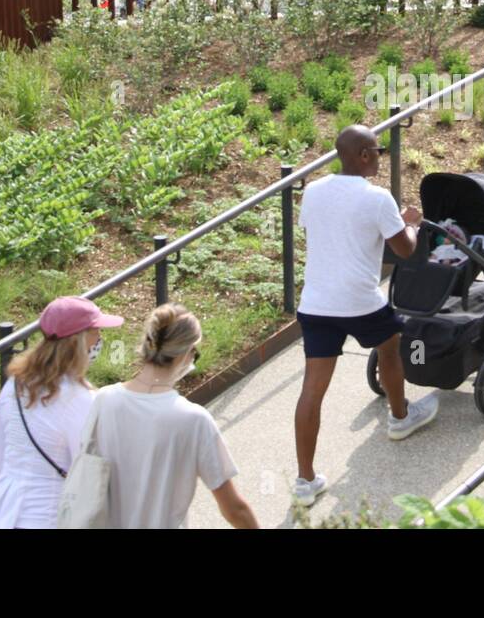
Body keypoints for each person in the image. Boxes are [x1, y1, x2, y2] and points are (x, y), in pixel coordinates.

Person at [293, 126, 439, 507]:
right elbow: (405, 250)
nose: (380, 156)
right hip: (360, 301)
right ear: (361, 155)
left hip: (316, 304)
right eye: (376, 150)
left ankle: (305, 481)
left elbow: (327, 232)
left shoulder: (312, 191)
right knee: (391, 347)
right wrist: (410, 222)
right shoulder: (378, 199)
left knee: (312, 390)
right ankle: (400, 417)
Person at [91, 304, 258, 528]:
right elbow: (234, 509)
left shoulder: (104, 400)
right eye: (195, 353)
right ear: (185, 353)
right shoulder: (193, 419)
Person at [0, 296, 124, 529]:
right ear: (78, 340)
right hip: (46, 517)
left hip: (0, 515)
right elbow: (89, 469)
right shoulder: (80, 398)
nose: (100, 338)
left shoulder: (15, 384)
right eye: (96, 331)